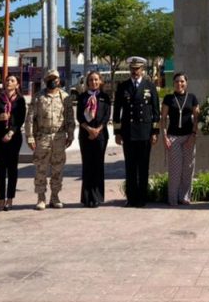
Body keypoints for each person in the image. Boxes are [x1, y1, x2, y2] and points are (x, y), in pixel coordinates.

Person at [26, 68, 76, 210]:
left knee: (58, 169)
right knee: (41, 169)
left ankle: (55, 196)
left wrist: (70, 134)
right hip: (43, 137)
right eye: (49, 79)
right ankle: (41, 197)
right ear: (45, 80)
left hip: (59, 137)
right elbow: (30, 118)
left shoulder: (65, 97)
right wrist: (30, 137)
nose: (52, 81)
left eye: (54, 79)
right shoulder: (38, 97)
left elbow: (70, 118)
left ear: (59, 80)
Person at [113, 57, 160, 207]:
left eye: (137, 69)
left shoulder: (150, 86)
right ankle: (131, 198)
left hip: (145, 132)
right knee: (130, 167)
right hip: (128, 133)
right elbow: (117, 111)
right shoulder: (123, 86)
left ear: (142, 70)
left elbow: (156, 111)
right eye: (132, 69)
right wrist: (117, 132)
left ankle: (142, 198)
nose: (135, 71)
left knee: (143, 166)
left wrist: (155, 132)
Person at [161, 72, 200, 206]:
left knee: (188, 169)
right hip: (174, 138)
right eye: (177, 81)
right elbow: (163, 118)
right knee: (175, 170)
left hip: (189, 137)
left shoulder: (192, 98)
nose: (179, 84)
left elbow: (197, 118)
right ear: (174, 83)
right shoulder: (168, 98)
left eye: (182, 81)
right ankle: (172, 199)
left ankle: (184, 197)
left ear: (186, 83)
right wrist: (164, 136)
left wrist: (194, 135)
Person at [0, 75, 26, 211]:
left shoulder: (20, 100)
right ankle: (1, 199)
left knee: (12, 169)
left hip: (14, 138)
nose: (9, 82)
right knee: (0, 170)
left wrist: (11, 133)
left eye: (12, 81)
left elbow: (21, 119)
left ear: (17, 85)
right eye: (7, 80)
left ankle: (10, 198)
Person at [77, 70, 112, 207]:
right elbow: (79, 116)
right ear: (87, 82)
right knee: (87, 165)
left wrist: (97, 129)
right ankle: (87, 198)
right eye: (91, 80)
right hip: (85, 135)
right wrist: (89, 129)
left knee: (98, 165)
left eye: (96, 79)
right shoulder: (82, 97)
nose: (94, 82)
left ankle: (97, 197)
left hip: (101, 135)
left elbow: (106, 115)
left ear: (100, 81)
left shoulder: (105, 97)